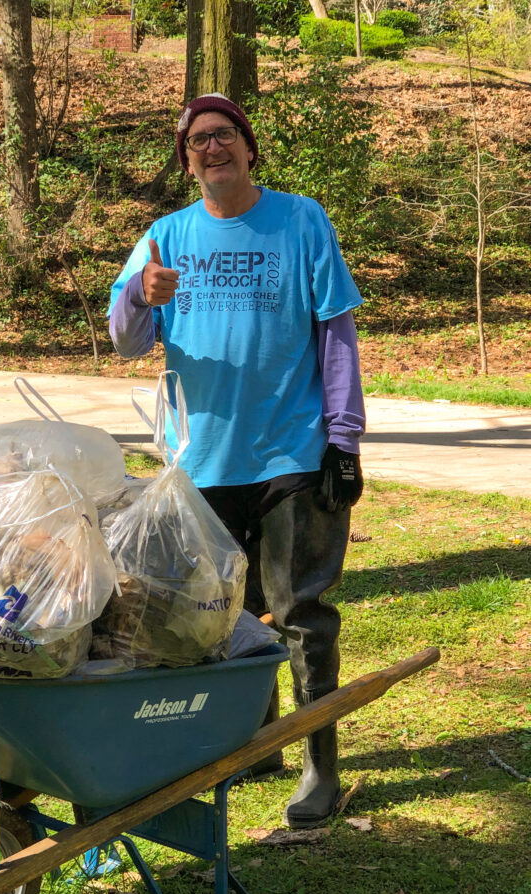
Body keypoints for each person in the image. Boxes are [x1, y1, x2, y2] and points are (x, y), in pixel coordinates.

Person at [107, 93, 365, 830]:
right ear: (187, 161)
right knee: (217, 614)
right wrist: (138, 294)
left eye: (223, 136)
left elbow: (335, 332)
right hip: (201, 461)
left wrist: (343, 440)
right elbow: (127, 340)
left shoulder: (300, 220)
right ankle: (256, 741)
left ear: (249, 149)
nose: (211, 149)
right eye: (196, 142)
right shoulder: (164, 236)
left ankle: (320, 763)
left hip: (292, 451)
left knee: (301, 615)